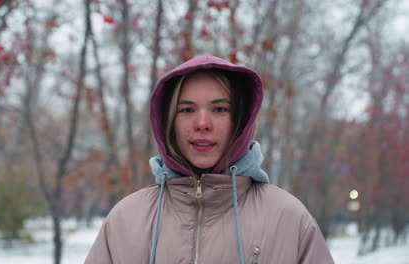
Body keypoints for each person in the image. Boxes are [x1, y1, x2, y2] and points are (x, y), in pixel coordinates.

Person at [85, 55, 335, 264]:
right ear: (168, 121)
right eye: (187, 109)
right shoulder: (125, 219)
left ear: (240, 120)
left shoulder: (288, 218)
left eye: (219, 109)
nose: (202, 124)